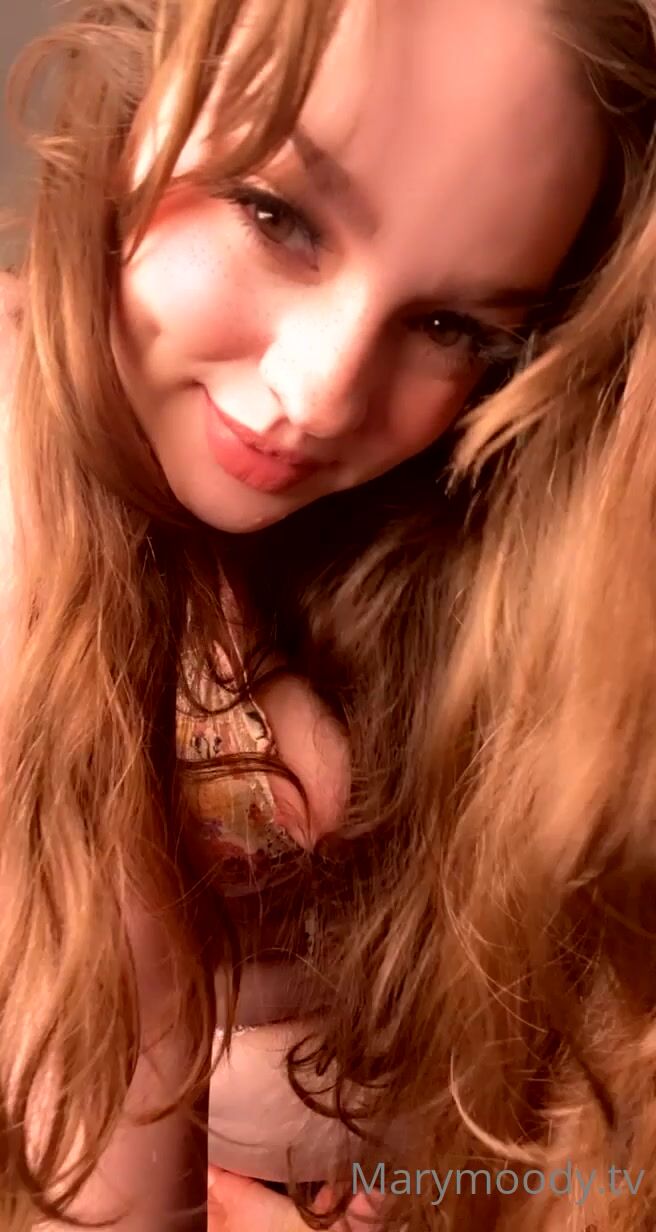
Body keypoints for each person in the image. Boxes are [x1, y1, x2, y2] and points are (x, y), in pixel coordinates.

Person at [1, 0, 656, 1228]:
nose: (316, 391)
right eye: (274, 216)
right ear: (132, 93)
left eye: (449, 326)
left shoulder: (478, 546)